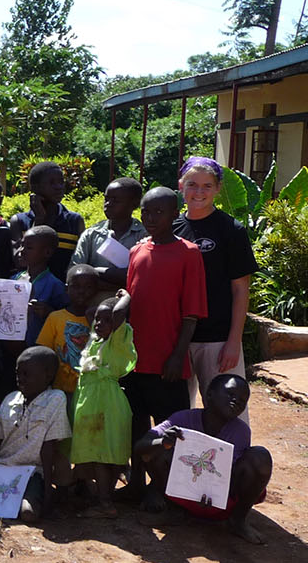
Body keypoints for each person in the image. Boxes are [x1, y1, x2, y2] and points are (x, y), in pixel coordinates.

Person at [122, 186, 208, 493]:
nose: (150, 217)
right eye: (145, 211)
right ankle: (135, 484)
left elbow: (192, 313)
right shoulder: (137, 251)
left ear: (175, 213)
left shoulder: (189, 253)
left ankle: (166, 489)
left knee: (170, 427)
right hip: (135, 359)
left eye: (159, 211)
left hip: (168, 361)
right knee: (135, 422)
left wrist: (177, 355)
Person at [135, 374, 272, 543]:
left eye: (243, 400)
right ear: (209, 395)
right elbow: (141, 447)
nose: (237, 401)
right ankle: (174, 510)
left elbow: (228, 476)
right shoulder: (182, 419)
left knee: (260, 457)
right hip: (182, 495)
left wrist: (212, 494)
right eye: (230, 394)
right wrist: (163, 441)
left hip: (221, 502)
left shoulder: (241, 431)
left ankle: (237, 521)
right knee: (157, 449)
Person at [174, 157, 258, 420]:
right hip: (178, 340)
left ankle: (235, 461)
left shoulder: (231, 230)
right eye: (192, 184)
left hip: (218, 339)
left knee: (227, 412)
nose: (199, 192)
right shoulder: (171, 228)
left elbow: (240, 290)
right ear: (180, 186)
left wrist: (234, 341)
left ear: (218, 188)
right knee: (178, 413)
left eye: (207, 186)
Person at [0, 346, 70, 523]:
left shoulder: (55, 399)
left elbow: (49, 448)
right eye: (18, 373)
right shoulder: (10, 399)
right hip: (1, 469)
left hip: (32, 472)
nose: (20, 379)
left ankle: (20, 497)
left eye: (26, 374)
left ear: (47, 376)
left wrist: (47, 488)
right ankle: (3, 497)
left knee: (28, 513)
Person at [71, 294, 136, 519]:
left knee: (103, 454)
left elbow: (118, 314)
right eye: (98, 320)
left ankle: (105, 502)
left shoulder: (118, 342)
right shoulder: (96, 340)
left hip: (106, 406)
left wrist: (126, 295)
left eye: (106, 321)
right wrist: (102, 311)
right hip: (92, 405)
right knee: (97, 452)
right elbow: (92, 313)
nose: (99, 324)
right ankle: (102, 497)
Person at [9, 161, 84, 282]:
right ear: (35, 187)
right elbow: (20, 262)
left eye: (61, 182)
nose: (59, 187)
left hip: (62, 292)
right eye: (51, 183)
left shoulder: (74, 221)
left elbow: (78, 263)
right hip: (29, 290)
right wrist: (39, 219)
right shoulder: (19, 221)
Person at [71, 177, 145, 298]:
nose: (108, 204)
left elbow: (141, 277)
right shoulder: (92, 234)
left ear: (134, 204)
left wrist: (94, 272)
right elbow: (76, 272)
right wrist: (119, 284)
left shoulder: (144, 236)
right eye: (106, 199)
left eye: (116, 200)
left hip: (131, 306)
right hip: (92, 305)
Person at [36, 264, 100, 397]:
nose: (81, 291)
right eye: (76, 286)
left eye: (88, 287)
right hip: (59, 391)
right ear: (66, 289)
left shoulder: (99, 320)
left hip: (91, 392)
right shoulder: (55, 317)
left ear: (96, 290)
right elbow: (43, 352)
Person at [16, 226, 68, 344]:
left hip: (37, 349)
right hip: (8, 348)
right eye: (21, 245)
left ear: (47, 253)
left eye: (28, 248)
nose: (21, 251)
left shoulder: (55, 286)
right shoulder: (14, 279)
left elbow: (66, 318)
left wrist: (49, 312)